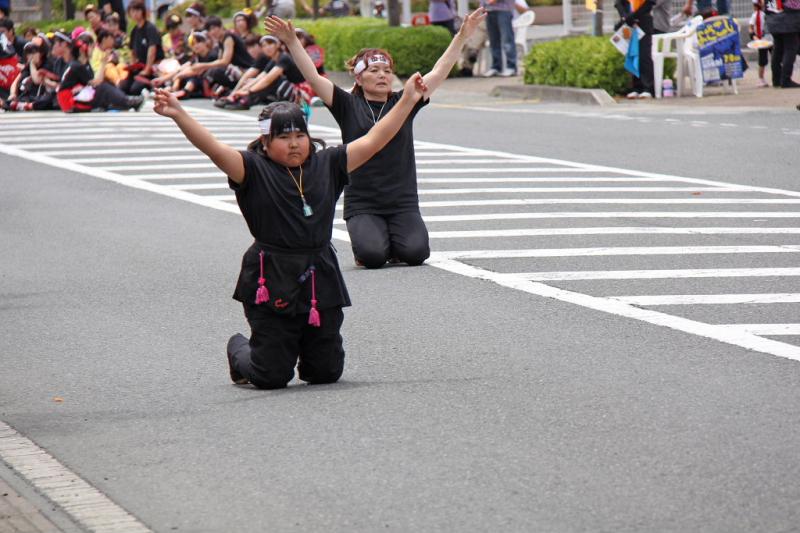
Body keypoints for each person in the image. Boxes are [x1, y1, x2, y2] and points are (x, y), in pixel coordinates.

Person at [153, 73, 428, 390]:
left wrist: (407, 99)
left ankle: (299, 348)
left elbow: (376, 138)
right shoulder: (252, 169)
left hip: (319, 275)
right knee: (271, 376)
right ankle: (241, 349)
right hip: (272, 275)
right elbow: (213, 149)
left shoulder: (328, 163)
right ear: (266, 142)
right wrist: (179, 113)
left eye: (300, 135)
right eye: (284, 137)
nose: (295, 143)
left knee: (325, 373)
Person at [265, 10, 486, 269]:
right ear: (358, 77)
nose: (383, 75)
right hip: (363, 201)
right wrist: (292, 42)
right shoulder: (346, 104)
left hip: (402, 200)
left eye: (387, 70)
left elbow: (439, 71)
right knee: (372, 256)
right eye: (374, 70)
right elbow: (313, 77)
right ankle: (374, 242)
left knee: (415, 253)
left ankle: (393, 238)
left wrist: (461, 36)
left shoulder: (404, 100)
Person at [56, 31, 143, 112]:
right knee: (102, 87)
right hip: (69, 101)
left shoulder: (83, 64)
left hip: (73, 96)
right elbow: (96, 83)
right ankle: (128, 101)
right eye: (91, 47)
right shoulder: (77, 66)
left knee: (103, 88)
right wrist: (103, 63)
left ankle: (126, 103)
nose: (93, 50)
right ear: (83, 49)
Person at [219, 34, 306, 110]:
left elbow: (268, 79)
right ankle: (239, 98)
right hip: (287, 91)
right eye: (264, 45)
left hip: (302, 93)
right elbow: (260, 77)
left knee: (274, 80)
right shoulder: (273, 60)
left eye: (270, 44)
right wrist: (238, 91)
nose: (267, 47)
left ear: (278, 45)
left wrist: (248, 92)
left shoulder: (284, 58)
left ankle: (246, 100)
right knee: (253, 81)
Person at [202, 16, 255, 97]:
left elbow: (225, 61)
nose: (212, 32)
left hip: (245, 70)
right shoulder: (221, 40)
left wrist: (202, 66)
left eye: (213, 28)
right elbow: (219, 60)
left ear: (220, 26)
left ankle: (236, 91)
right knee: (211, 71)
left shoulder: (228, 37)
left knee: (216, 72)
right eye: (209, 30)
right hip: (236, 69)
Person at [156, 30, 218, 99]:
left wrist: (179, 76)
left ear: (205, 42)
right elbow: (180, 69)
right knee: (182, 73)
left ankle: (184, 92)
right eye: (193, 44)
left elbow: (197, 71)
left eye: (198, 42)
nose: (196, 46)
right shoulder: (196, 57)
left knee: (192, 78)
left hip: (209, 83)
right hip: (199, 83)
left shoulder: (212, 55)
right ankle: (170, 90)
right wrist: (162, 79)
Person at [121, 0, 164, 96]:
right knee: (123, 87)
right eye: (132, 11)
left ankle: (152, 87)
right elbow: (133, 52)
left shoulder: (150, 28)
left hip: (153, 68)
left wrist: (147, 69)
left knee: (135, 89)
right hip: (139, 67)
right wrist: (132, 67)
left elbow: (152, 50)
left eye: (137, 10)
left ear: (142, 11)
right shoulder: (134, 31)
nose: (135, 14)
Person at [4, 37, 59, 111]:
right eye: (28, 52)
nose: (31, 55)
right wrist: (13, 94)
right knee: (8, 101)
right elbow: (16, 82)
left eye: (34, 52)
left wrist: (32, 64)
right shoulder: (27, 67)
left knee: (48, 100)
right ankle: (16, 105)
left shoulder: (48, 64)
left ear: (41, 53)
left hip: (40, 97)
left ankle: (23, 106)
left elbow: (37, 80)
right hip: (26, 97)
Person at [615, 0, 655, 98]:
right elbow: (618, 3)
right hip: (629, 25)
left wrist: (633, 16)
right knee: (632, 54)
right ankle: (636, 88)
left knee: (644, 55)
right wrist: (625, 16)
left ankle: (647, 88)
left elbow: (649, 3)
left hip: (643, 23)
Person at [765, 0, 800, 88]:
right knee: (790, 49)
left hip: (772, 20)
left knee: (777, 49)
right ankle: (785, 80)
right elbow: (794, 5)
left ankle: (776, 79)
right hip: (788, 21)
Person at [481, 0, 516, 77]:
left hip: (504, 10)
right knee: (493, 41)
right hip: (489, 10)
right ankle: (496, 67)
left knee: (507, 40)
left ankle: (511, 67)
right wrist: (482, 6)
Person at [750, 0, 771, 87]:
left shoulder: (767, 14)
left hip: (770, 38)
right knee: (762, 60)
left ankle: (777, 76)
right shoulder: (755, 15)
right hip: (761, 39)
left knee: (775, 57)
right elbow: (751, 28)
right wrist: (753, 36)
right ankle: (761, 78)